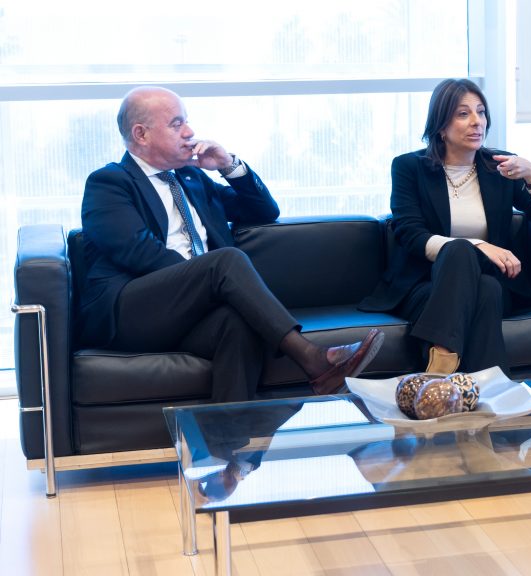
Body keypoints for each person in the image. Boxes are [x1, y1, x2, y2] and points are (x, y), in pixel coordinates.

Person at [79, 86, 384, 401]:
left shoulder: (190, 179)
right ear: (140, 134)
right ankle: (312, 358)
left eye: (187, 122)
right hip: (130, 312)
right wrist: (208, 282)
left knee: (236, 324)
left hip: (186, 311)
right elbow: (139, 252)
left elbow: (262, 211)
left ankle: (228, 442)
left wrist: (228, 166)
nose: (190, 131)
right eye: (176, 124)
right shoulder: (109, 182)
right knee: (225, 261)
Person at [358, 78, 531, 374]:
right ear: (441, 126)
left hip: (490, 279)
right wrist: (477, 244)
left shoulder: (498, 166)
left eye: (481, 112)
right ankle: (493, 392)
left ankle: (440, 365)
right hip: (426, 284)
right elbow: (410, 235)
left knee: (486, 285)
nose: (476, 122)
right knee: (481, 282)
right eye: (463, 114)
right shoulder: (409, 168)